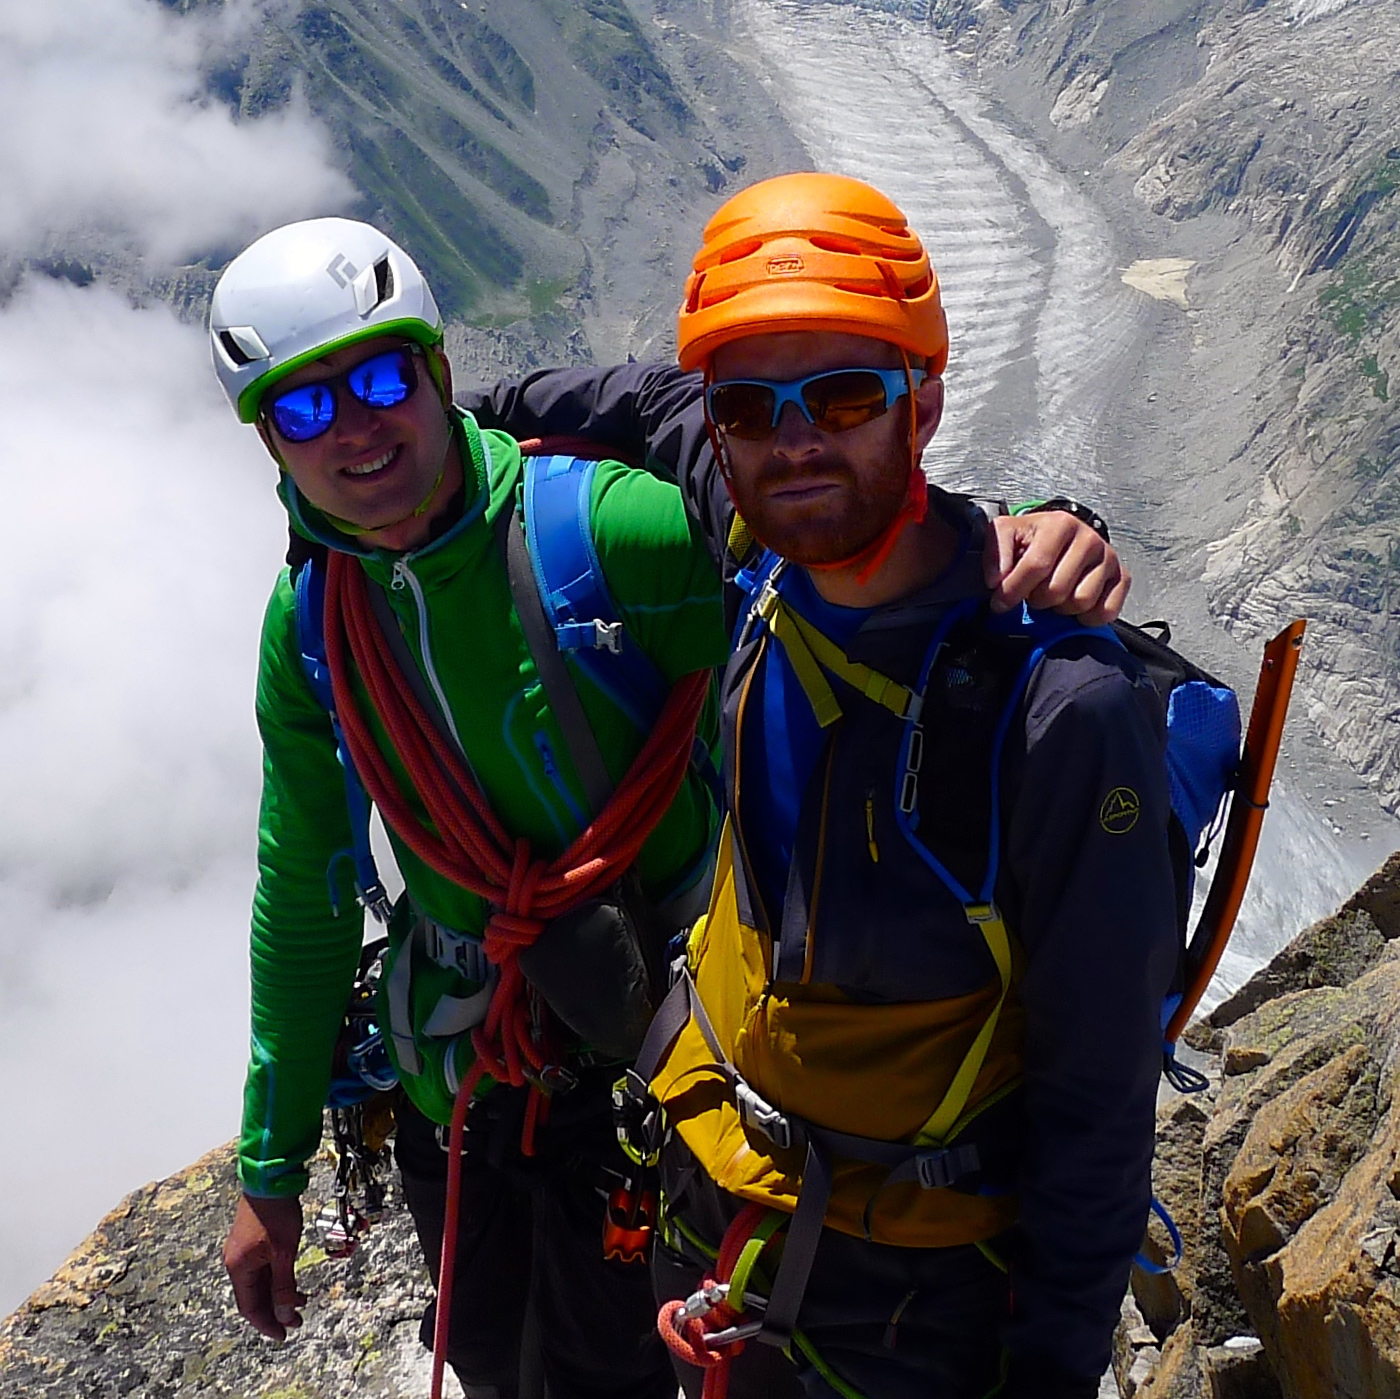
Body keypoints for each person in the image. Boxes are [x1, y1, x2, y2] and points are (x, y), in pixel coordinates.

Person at [211, 214, 1130, 1399]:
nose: (353, 427)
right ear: (269, 446)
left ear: (438, 374)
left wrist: (1023, 545)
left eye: (384, 378)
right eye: (301, 411)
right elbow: (307, 888)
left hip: (656, 1075)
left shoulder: (605, 534)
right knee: (492, 1352)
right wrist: (268, 1166)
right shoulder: (314, 628)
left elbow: (831, 559)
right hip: (471, 1073)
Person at [466, 173, 1179, 1399]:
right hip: (714, 1217)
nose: (794, 438)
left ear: (925, 401)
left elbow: (1094, 1102)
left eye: (844, 395)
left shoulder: (1057, 709)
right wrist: (442, 416)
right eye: (751, 405)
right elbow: (643, 399)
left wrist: (1049, 1370)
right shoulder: (758, 547)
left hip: (907, 1310)